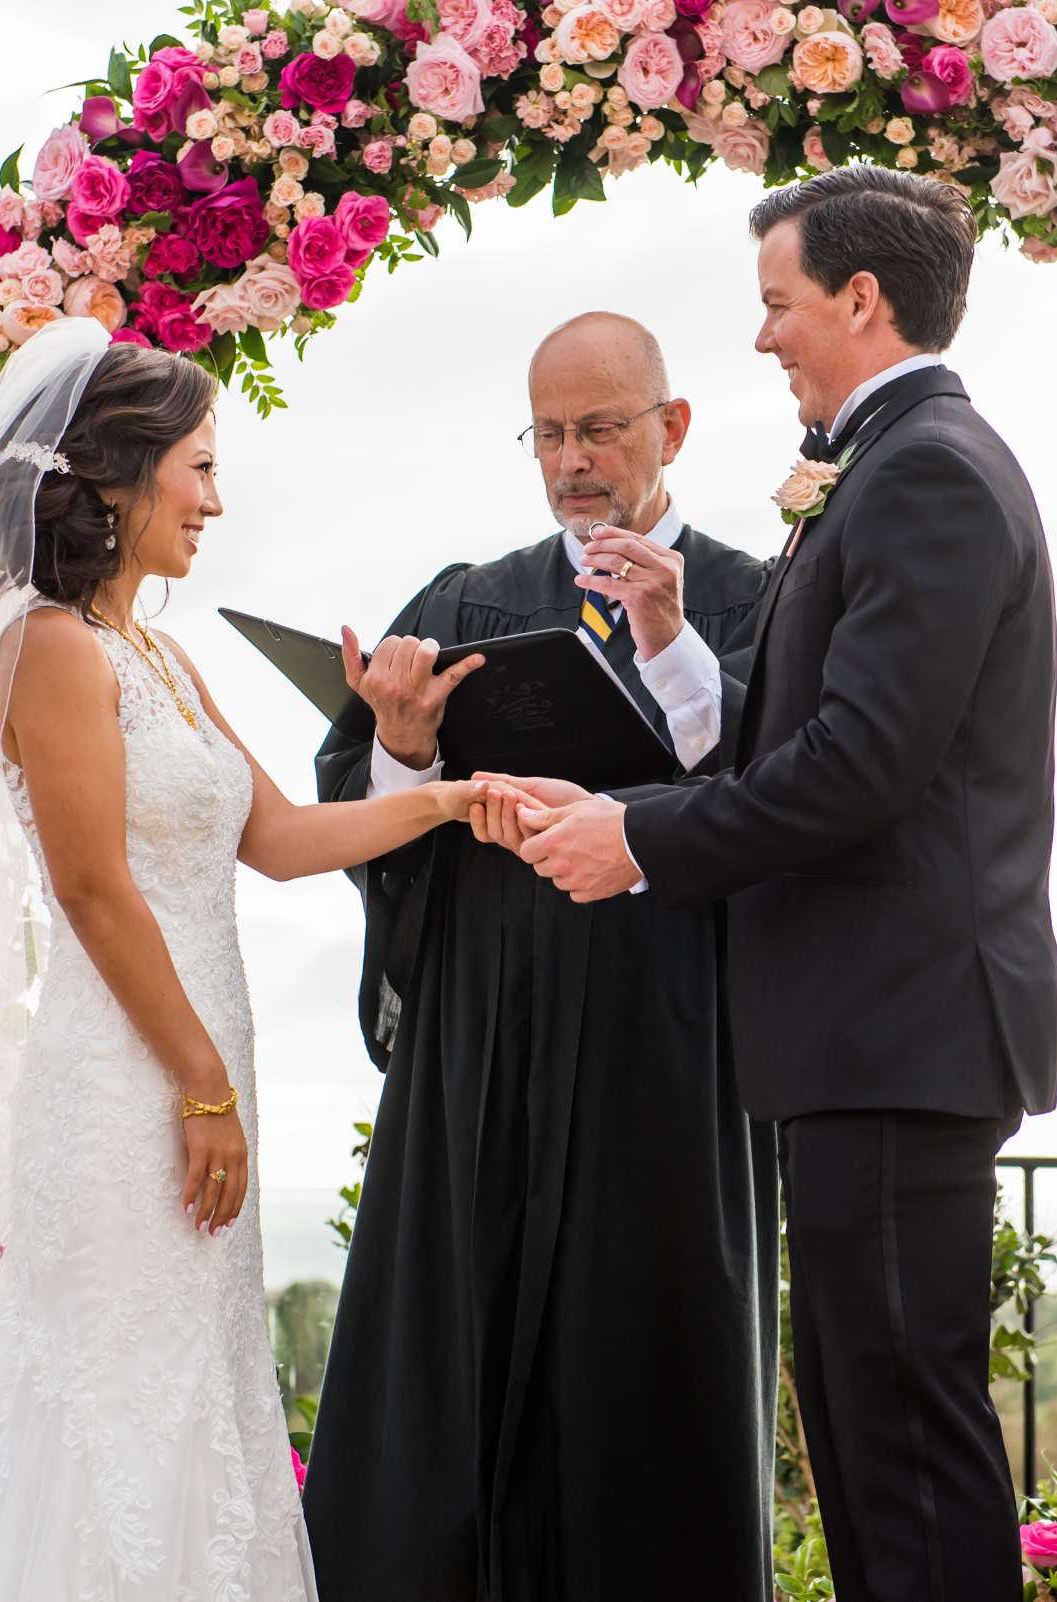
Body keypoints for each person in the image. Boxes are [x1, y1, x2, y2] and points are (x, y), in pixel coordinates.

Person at [0, 317, 489, 1600]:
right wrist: (199, 1083)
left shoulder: (159, 655)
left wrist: (452, 799)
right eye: (199, 466)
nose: (216, 498)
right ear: (121, 478)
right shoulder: (46, 645)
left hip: (200, 1061)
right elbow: (91, 885)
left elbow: (285, 839)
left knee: (192, 1382)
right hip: (132, 1073)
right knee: (104, 1390)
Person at [494, 170, 1057, 1602]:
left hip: (901, 1022)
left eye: (777, 305)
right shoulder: (886, 461)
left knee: (905, 1440)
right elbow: (793, 739)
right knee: (868, 1427)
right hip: (870, 1033)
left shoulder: (925, 468)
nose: (763, 341)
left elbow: (865, 767)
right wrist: (635, 766)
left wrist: (637, 844)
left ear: (862, 299)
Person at [302, 312, 778, 1602]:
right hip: (481, 1027)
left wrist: (673, 653)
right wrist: (403, 745)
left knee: (646, 1365)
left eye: (601, 428)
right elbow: (352, 788)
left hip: (664, 1032)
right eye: (550, 433)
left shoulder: (757, 597)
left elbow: (789, 793)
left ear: (672, 428)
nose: (573, 460)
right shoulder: (471, 599)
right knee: (451, 1352)